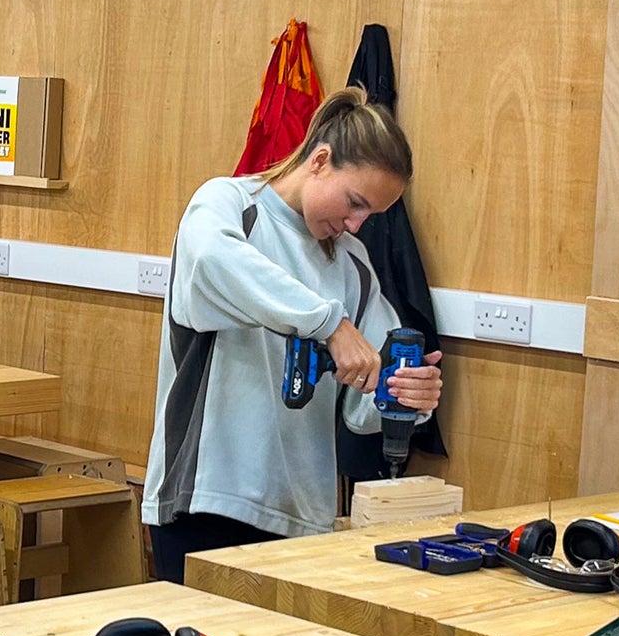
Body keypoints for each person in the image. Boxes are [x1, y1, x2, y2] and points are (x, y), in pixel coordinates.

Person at [143, 87, 443, 583]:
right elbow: (211, 265)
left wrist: (408, 397)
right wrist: (328, 324)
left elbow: (366, 404)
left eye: (370, 215)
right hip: (205, 501)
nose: (355, 223)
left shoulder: (352, 264)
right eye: (354, 203)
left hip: (302, 519)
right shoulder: (228, 205)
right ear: (320, 160)